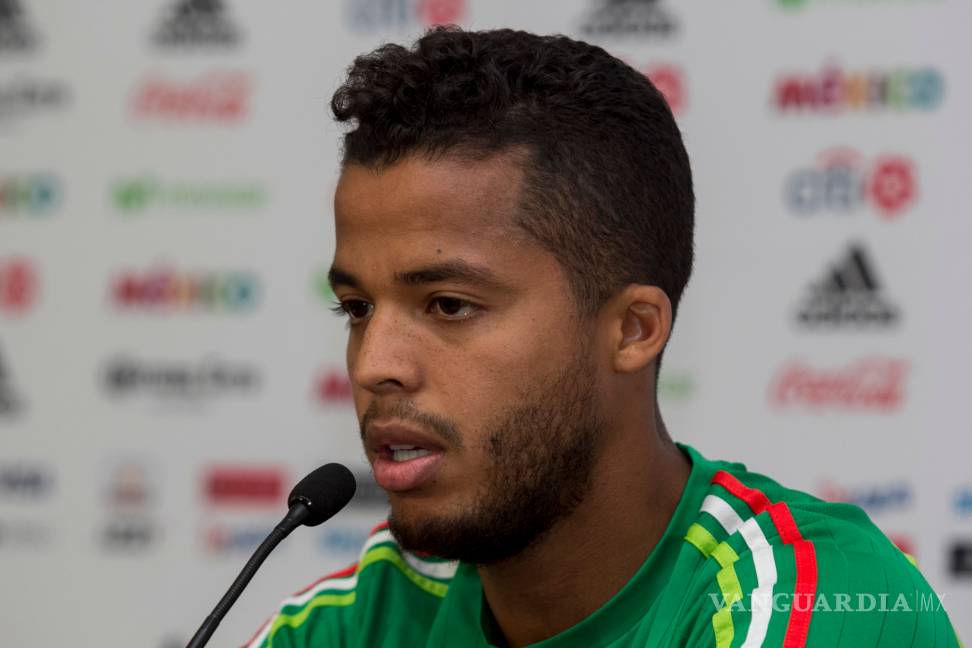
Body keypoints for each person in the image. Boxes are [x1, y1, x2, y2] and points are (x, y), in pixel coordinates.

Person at [246, 27, 959, 648]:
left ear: (632, 330)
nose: (374, 365)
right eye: (357, 308)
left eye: (449, 305)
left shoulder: (814, 599)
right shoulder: (357, 618)